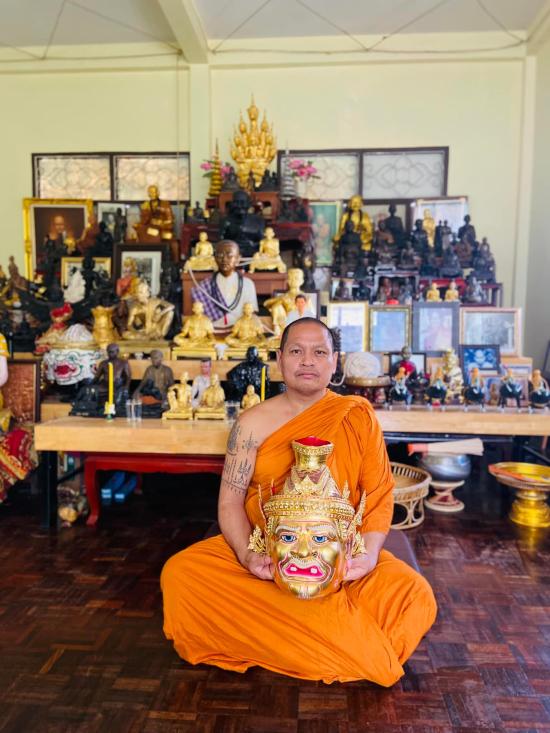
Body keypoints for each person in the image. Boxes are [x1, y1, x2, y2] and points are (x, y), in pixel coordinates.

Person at [161, 318, 437, 685]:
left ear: (334, 361)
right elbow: (229, 503)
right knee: (181, 574)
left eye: (319, 352)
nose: (307, 360)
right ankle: (349, 646)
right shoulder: (251, 424)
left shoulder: (357, 416)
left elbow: (378, 495)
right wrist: (247, 555)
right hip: (268, 555)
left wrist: (368, 557)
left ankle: (302, 638)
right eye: (296, 351)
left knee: (415, 596)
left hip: (340, 556)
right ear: (279, 359)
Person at [191, 240, 258, 329]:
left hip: (239, 331)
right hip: (213, 330)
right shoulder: (205, 286)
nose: (224, 259)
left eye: (229, 256)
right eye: (220, 256)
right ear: (214, 258)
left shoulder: (247, 284)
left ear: (238, 259)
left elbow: (252, 313)